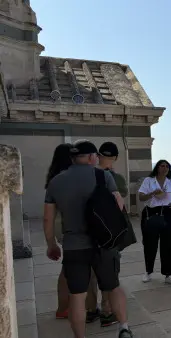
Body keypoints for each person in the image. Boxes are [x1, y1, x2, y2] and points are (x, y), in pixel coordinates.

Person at [43, 140, 132, 338]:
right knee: (113, 286)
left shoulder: (55, 182)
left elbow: (48, 217)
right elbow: (119, 205)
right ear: (92, 157)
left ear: (73, 158)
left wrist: (51, 244)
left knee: (77, 296)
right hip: (103, 243)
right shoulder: (103, 175)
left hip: (74, 245)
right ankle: (124, 328)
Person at [46, 143, 101, 322]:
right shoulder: (87, 175)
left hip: (62, 226)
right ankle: (90, 308)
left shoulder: (56, 178)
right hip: (77, 228)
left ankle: (63, 307)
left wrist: (51, 243)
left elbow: (48, 217)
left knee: (67, 269)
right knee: (88, 270)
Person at [95, 141, 133, 327]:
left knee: (89, 274)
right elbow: (122, 198)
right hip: (109, 232)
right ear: (116, 158)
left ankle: (88, 310)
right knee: (109, 273)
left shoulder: (87, 174)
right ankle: (107, 311)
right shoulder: (114, 178)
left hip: (87, 231)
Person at [138, 160, 171, 285]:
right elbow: (141, 197)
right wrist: (152, 193)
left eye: (167, 166)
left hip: (168, 213)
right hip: (151, 213)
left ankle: (168, 274)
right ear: (157, 168)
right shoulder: (148, 181)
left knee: (168, 244)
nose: (164, 168)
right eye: (162, 166)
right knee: (149, 244)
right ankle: (148, 272)